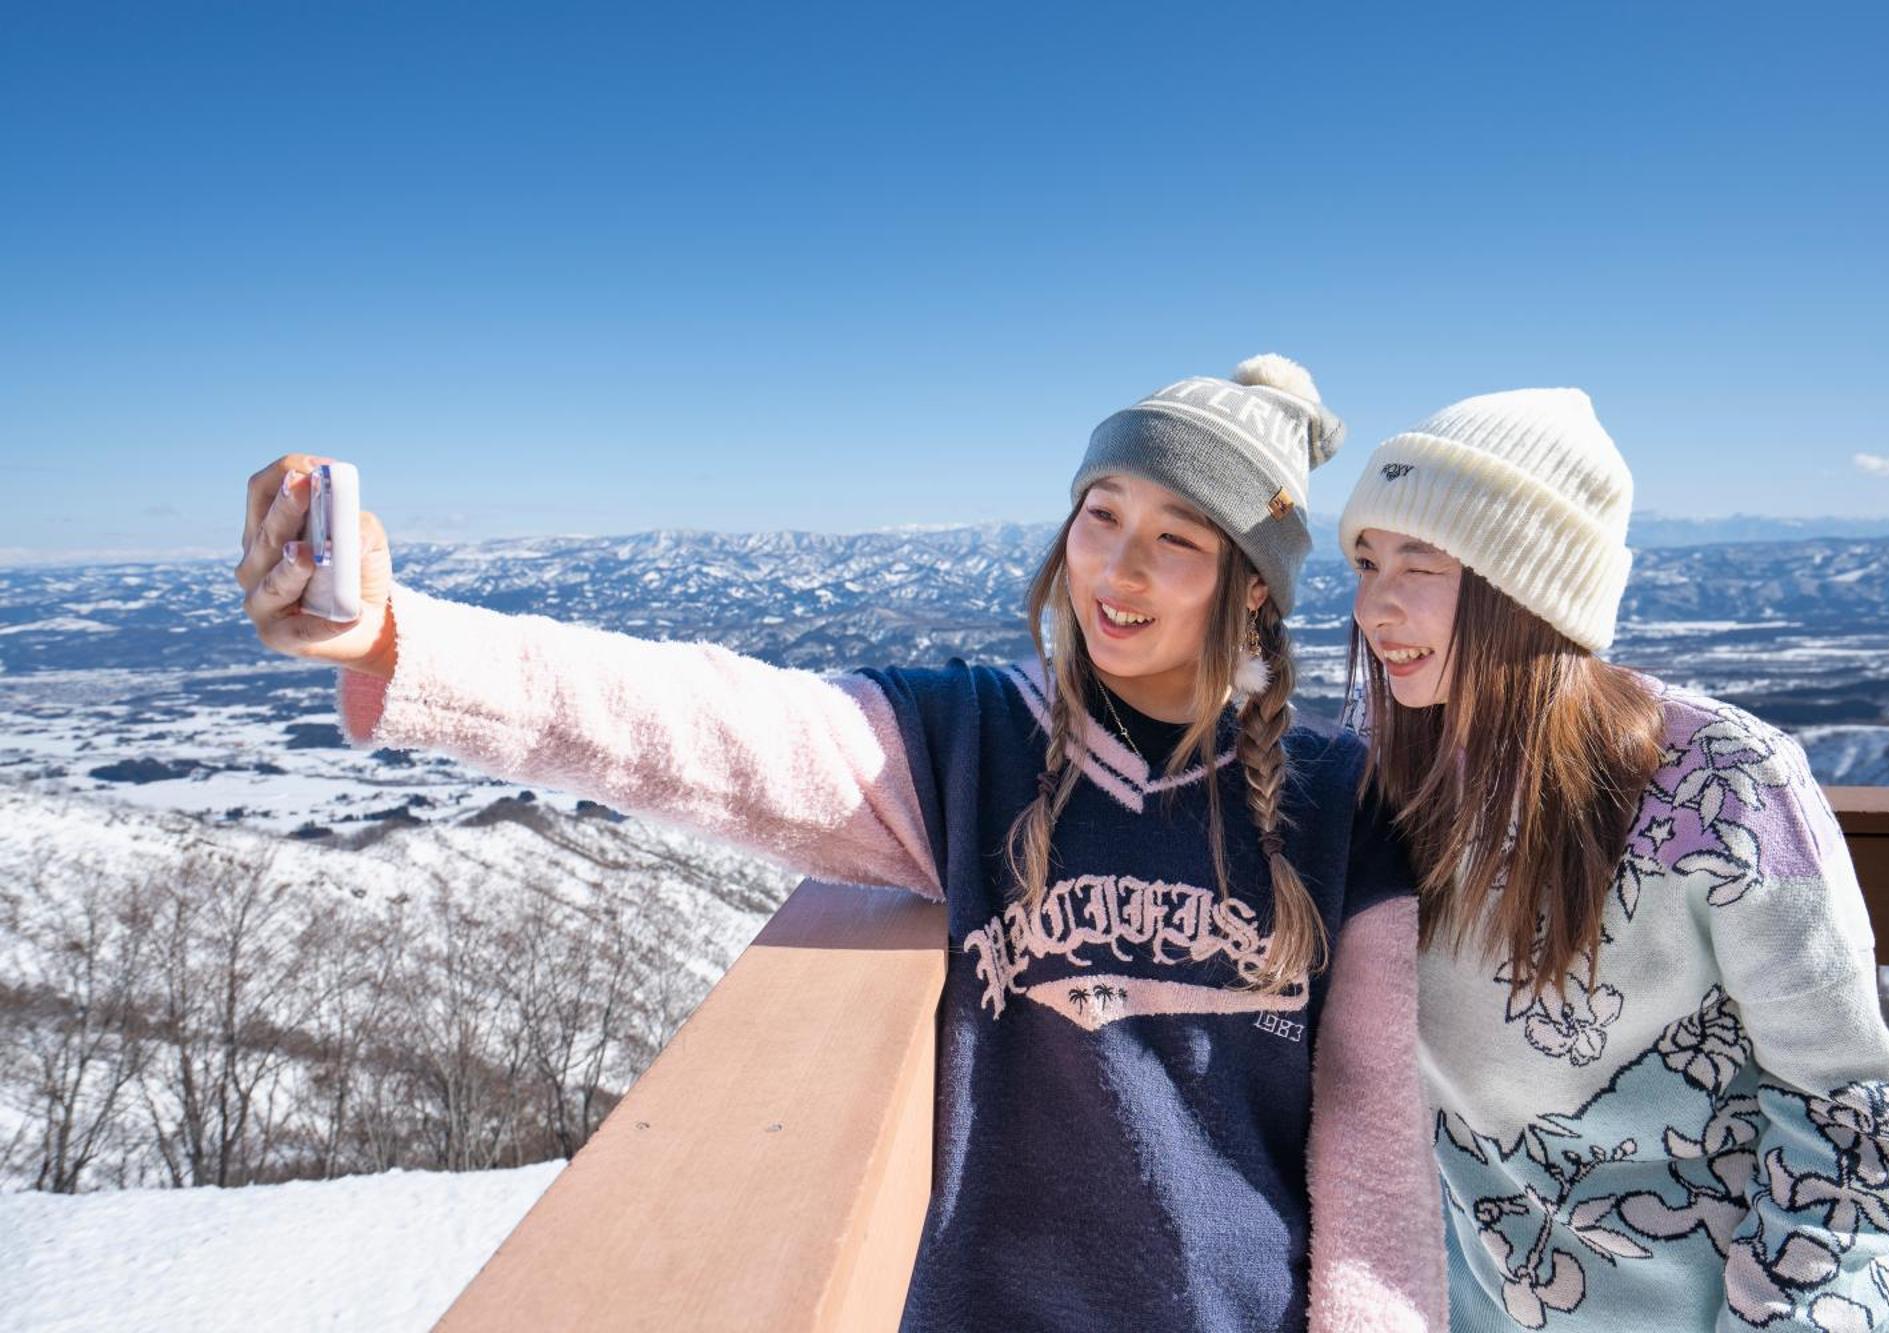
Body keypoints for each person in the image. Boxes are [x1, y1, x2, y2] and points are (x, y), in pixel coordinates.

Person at [236, 356, 1446, 1331]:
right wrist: (396, 637)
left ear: (1248, 589)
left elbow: (1377, 1161)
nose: (1117, 569)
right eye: (1099, 514)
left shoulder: (1340, 805)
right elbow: (694, 724)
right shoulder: (963, 744)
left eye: (1177, 539)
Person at [1336, 388, 1889, 1331]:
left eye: (1424, 562)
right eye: (1367, 562)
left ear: (1528, 586)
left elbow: (1851, 1120)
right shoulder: (1389, 789)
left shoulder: (1724, 784)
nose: (1376, 603)